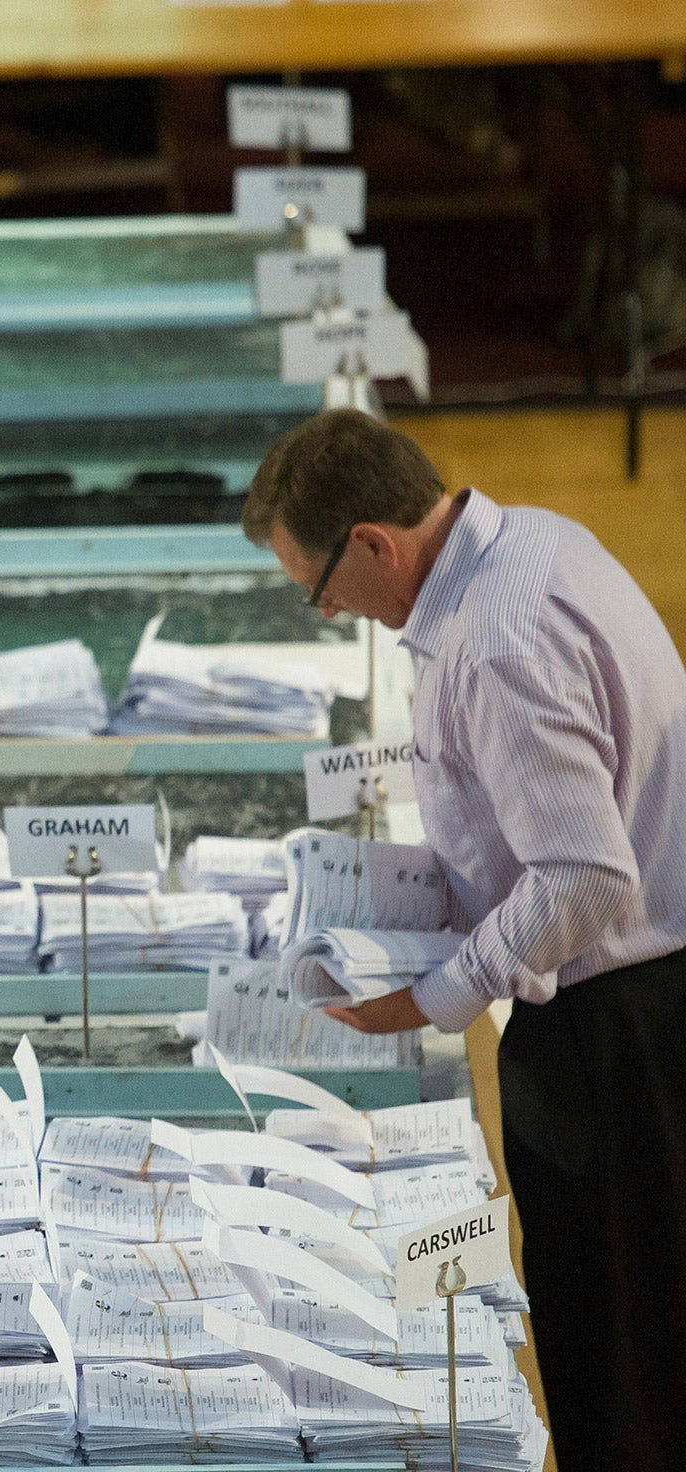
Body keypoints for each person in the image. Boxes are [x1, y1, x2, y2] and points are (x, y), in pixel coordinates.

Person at [242, 408, 686, 1472]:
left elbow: (582, 880)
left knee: (616, 1346)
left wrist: (436, 994)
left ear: (371, 545)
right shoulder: (527, 539)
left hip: (609, 1027)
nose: (329, 612)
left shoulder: (492, 640)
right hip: (636, 997)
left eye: (315, 590)